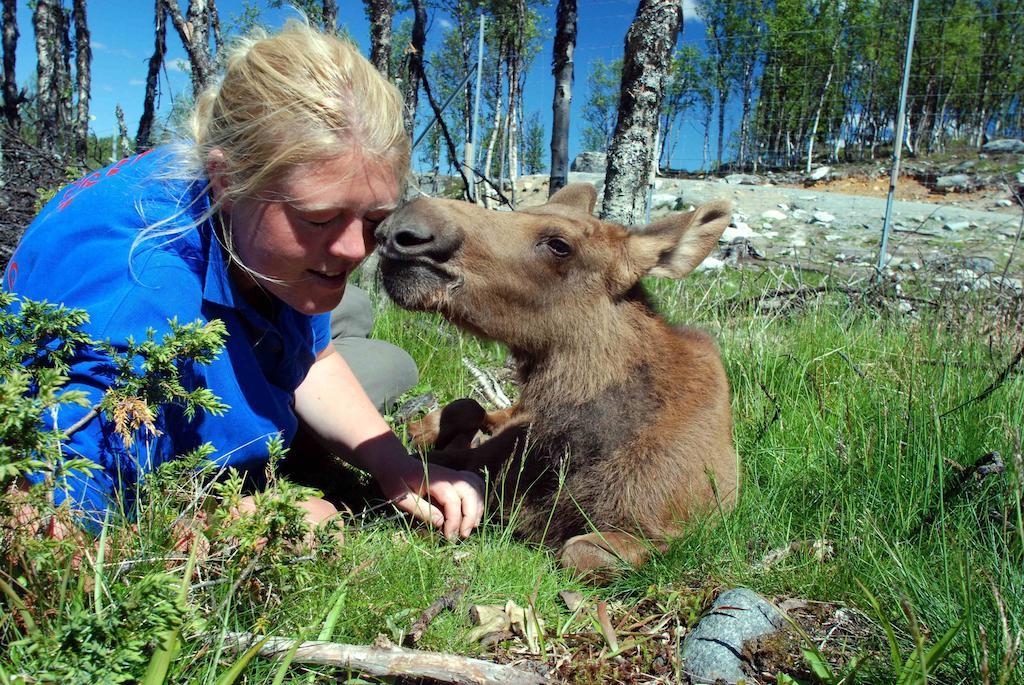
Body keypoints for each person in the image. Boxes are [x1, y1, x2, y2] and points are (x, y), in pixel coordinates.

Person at [2, 21, 483, 541]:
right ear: (225, 180)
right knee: (389, 365)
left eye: (373, 220)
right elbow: (39, 526)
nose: (354, 249)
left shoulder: (249, 202)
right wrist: (237, 522)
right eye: (319, 218)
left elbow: (315, 357)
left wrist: (396, 464)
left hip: (246, 286)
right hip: (154, 324)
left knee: (356, 314)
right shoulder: (140, 297)